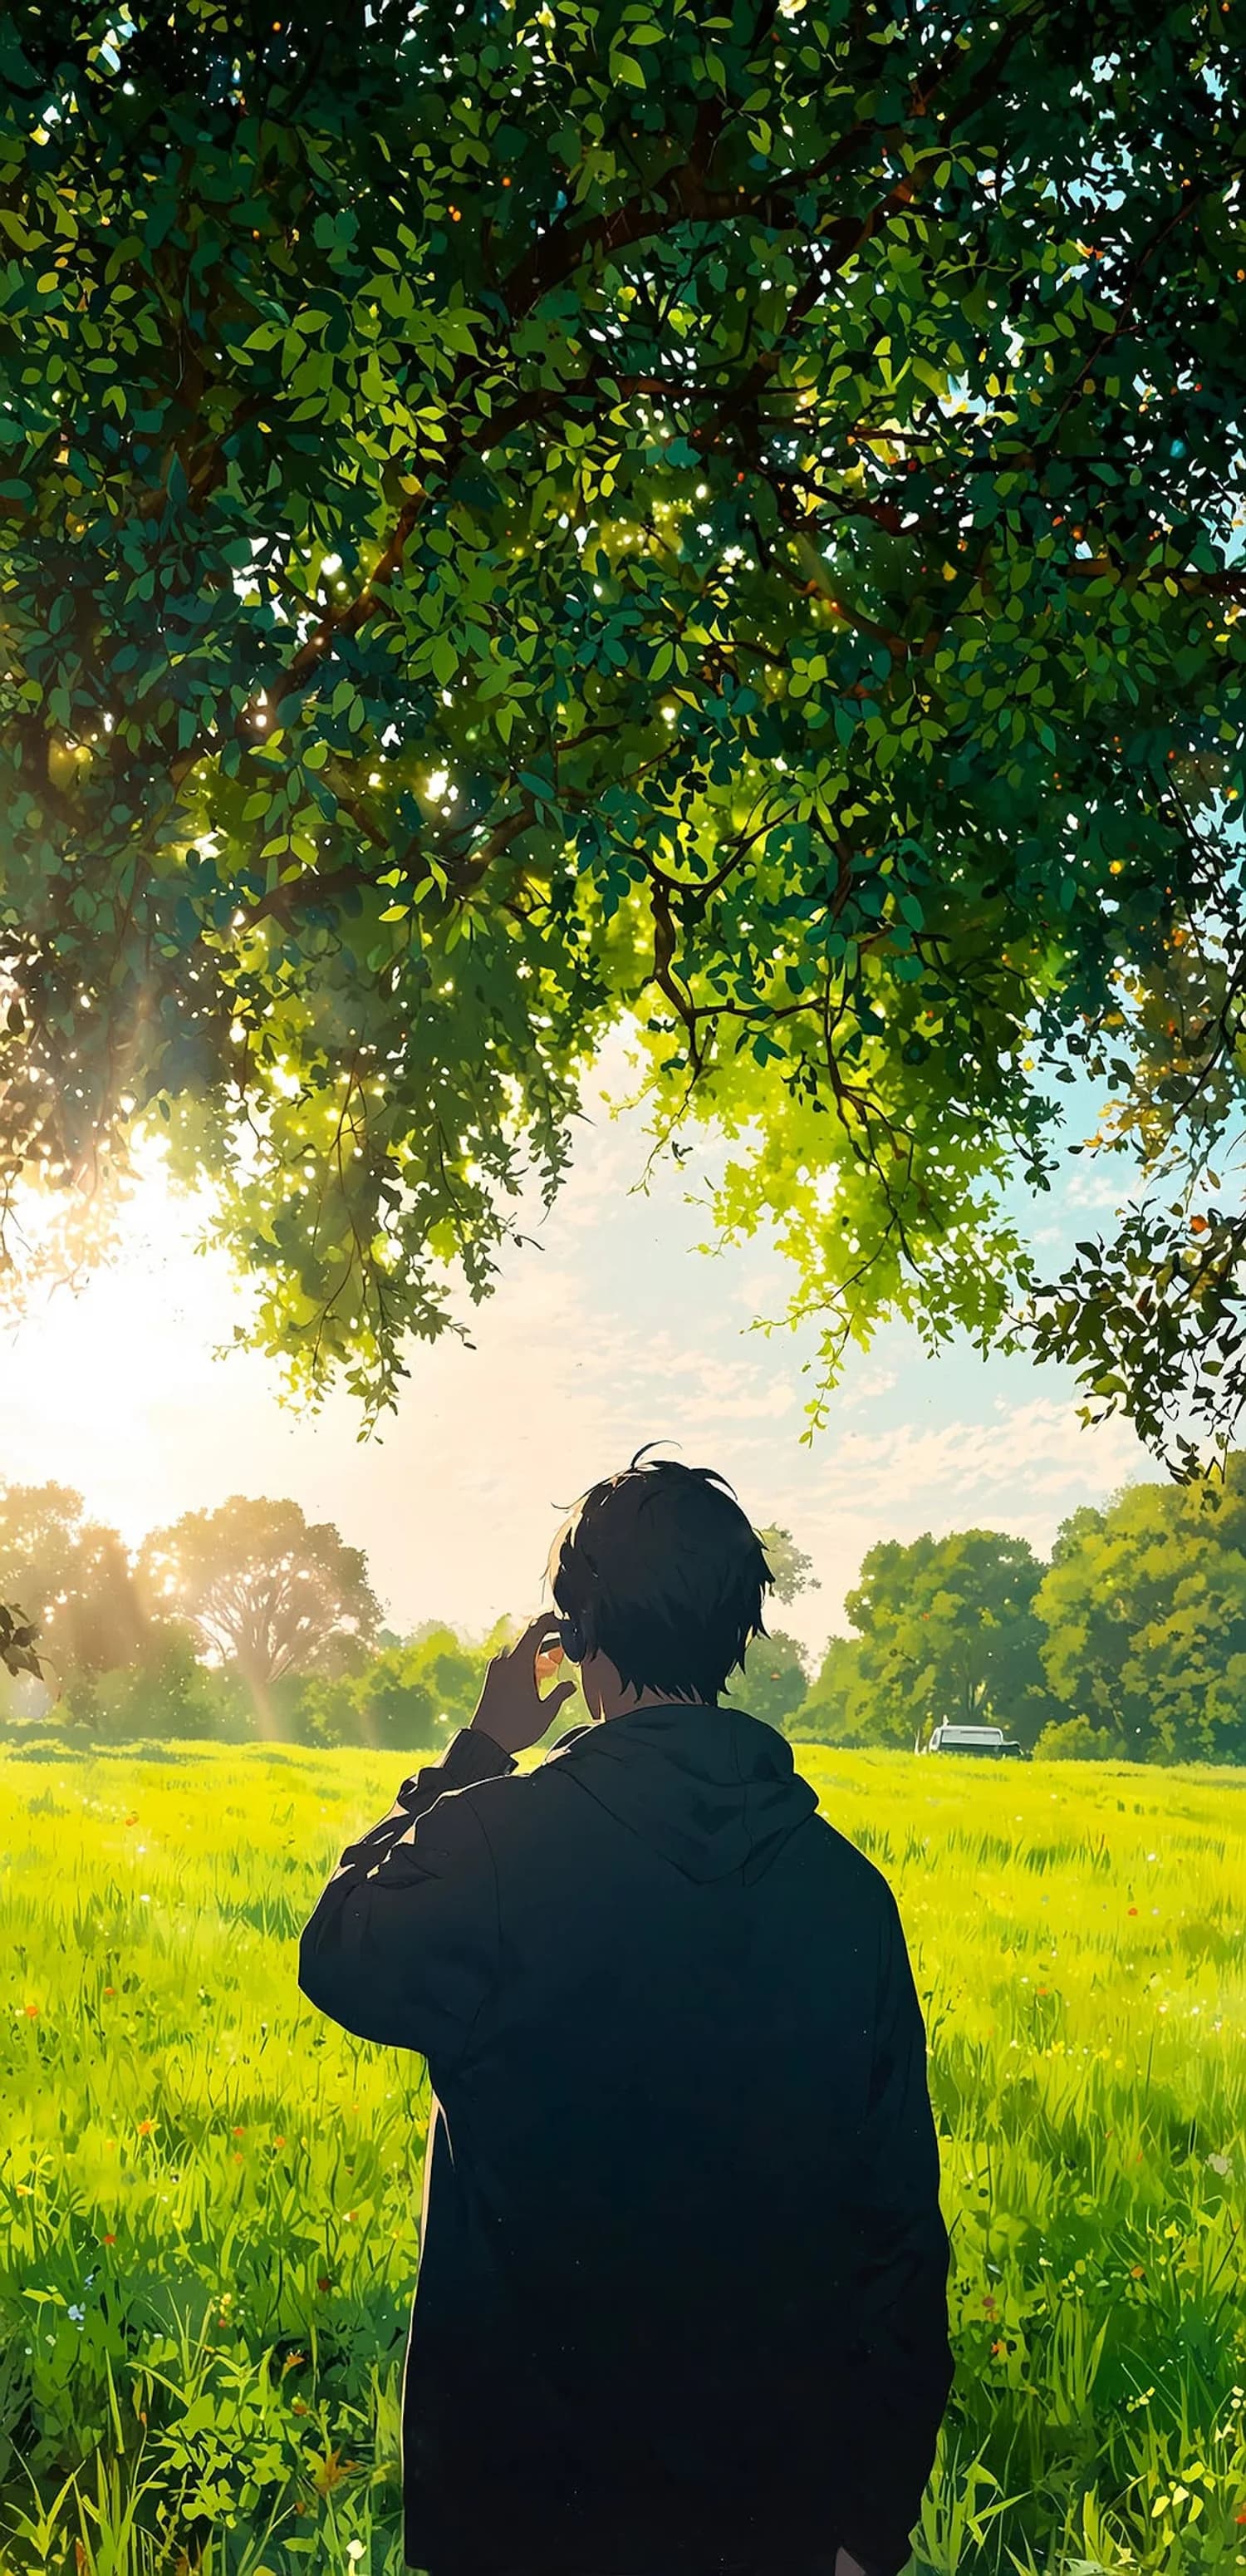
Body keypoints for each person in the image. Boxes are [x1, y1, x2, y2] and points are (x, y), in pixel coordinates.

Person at [297, 1448, 954, 2576]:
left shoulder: (493, 1846)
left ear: (577, 1632)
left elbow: (337, 1950)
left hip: (523, 2509)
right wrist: (869, 2522)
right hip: (776, 2512)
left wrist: (480, 1751)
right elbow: (898, 2227)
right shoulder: (849, 1893)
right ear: (737, 1633)